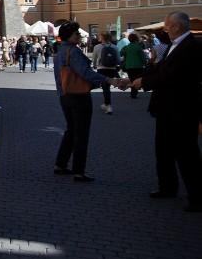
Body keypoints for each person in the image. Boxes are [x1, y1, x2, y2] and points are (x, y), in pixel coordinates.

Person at [131, 12, 202, 212]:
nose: (165, 29)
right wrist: (133, 80)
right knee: (163, 151)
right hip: (165, 109)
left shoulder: (192, 47)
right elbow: (160, 69)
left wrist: (143, 82)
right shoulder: (175, 44)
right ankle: (168, 187)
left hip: (182, 109)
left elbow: (173, 77)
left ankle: (197, 197)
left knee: (187, 155)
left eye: (168, 25)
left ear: (178, 26)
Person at [53, 21, 124, 182]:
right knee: (81, 133)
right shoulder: (73, 51)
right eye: (76, 34)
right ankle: (79, 171)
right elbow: (86, 73)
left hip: (64, 96)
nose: (79, 36)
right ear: (70, 36)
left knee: (71, 130)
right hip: (78, 96)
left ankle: (60, 164)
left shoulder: (60, 52)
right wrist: (109, 80)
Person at [91, 31, 119, 114]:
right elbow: (118, 59)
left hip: (102, 68)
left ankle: (108, 105)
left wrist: (95, 65)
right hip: (112, 69)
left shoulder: (97, 47)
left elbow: (94, 58)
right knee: (107, 86)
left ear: (101, 37)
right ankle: (107, 104)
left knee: (105, 87)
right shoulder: (114, 47)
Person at [120, 33, 147, 98]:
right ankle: (134, 93)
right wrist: (146, 64)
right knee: (136, 79)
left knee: (132, 79)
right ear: (136, 39)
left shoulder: (126, 47)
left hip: (129, 66)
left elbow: (121, 54)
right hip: (138, 66)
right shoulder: (138, 47)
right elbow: (143, 57)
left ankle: (133, 92)